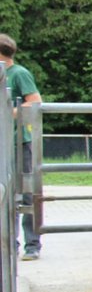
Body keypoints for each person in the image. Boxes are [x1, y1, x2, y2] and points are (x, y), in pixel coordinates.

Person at [0, 33, 42, 259]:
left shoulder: (19, 74)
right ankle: (9, 244)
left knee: (26, 193)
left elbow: (34, 101)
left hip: (20, 142)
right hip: (4, 143)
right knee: (5, 193)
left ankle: (32, 244)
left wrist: (7, 114)